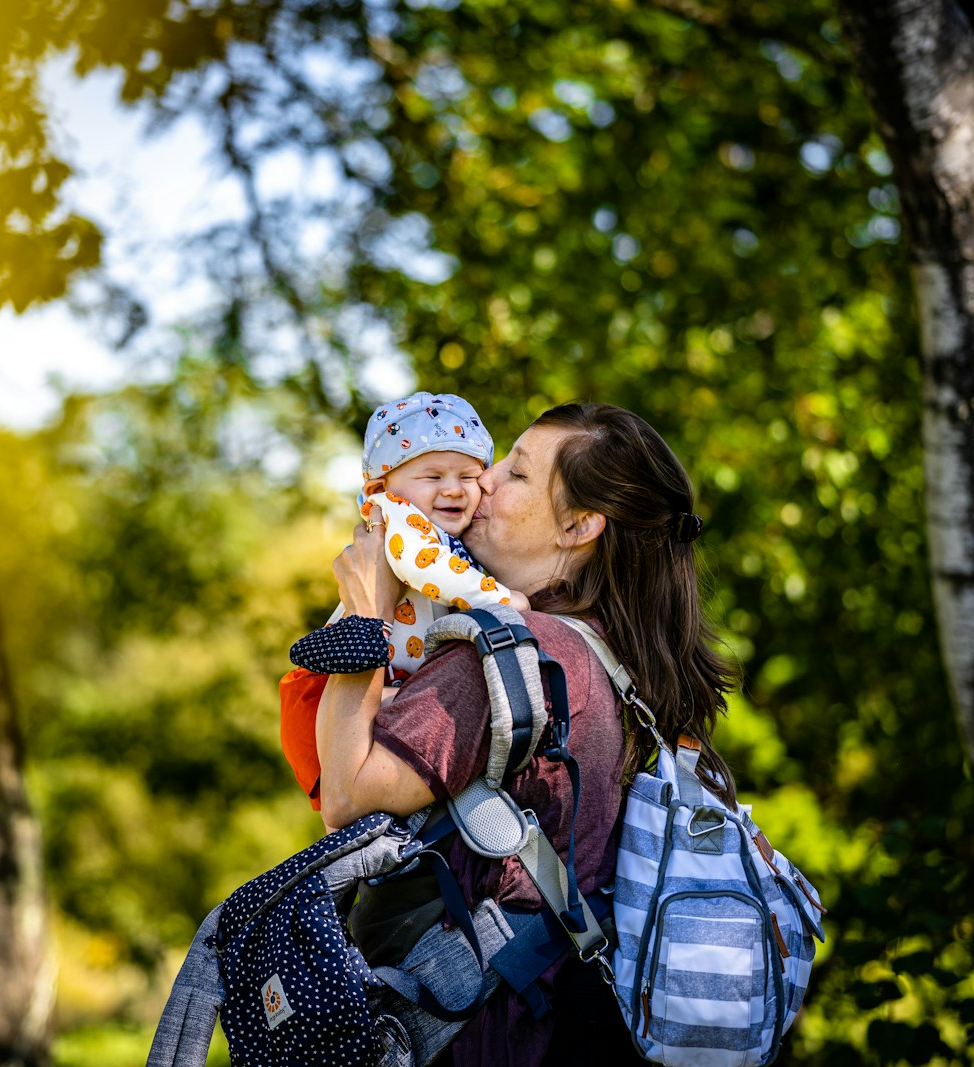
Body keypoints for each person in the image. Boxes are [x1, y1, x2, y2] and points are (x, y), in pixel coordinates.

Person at [317, 402, 740, 1066]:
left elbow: (347, 797)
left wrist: (364, 620)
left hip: (489, 1034)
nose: (481, 483)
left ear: (579, 525)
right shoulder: (629, 667)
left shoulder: (509, 656)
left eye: (514, 472)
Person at [280, 390, 526, 809]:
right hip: (335, 686)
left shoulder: (443, 530)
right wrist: (502, 599)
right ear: (381, 486)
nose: (453, 490)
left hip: (386, 678)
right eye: (433, 477)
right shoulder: (396, 514)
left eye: (468, 477)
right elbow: (424, 565)